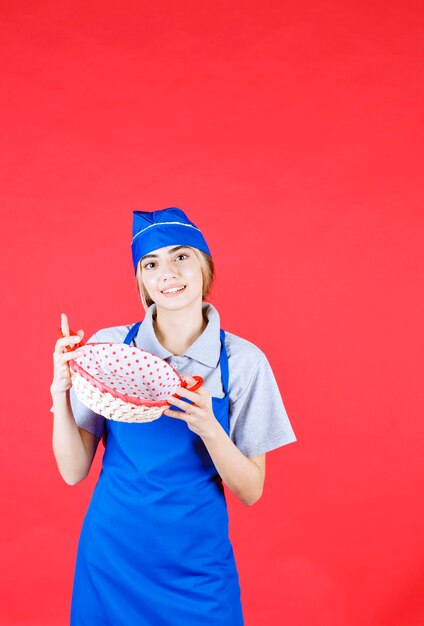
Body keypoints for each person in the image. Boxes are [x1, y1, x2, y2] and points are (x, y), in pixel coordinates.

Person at [50, 207, 297, 625]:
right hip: (112, 561)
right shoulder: (112, 349)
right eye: (151, 263)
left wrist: (209, 427)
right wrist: (62, 390)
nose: (167, 272)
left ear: (204, 267)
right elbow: (74, 471)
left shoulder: (242, 361)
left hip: (197, 568)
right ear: (142, 281)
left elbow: (251, 489)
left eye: (181, 256)